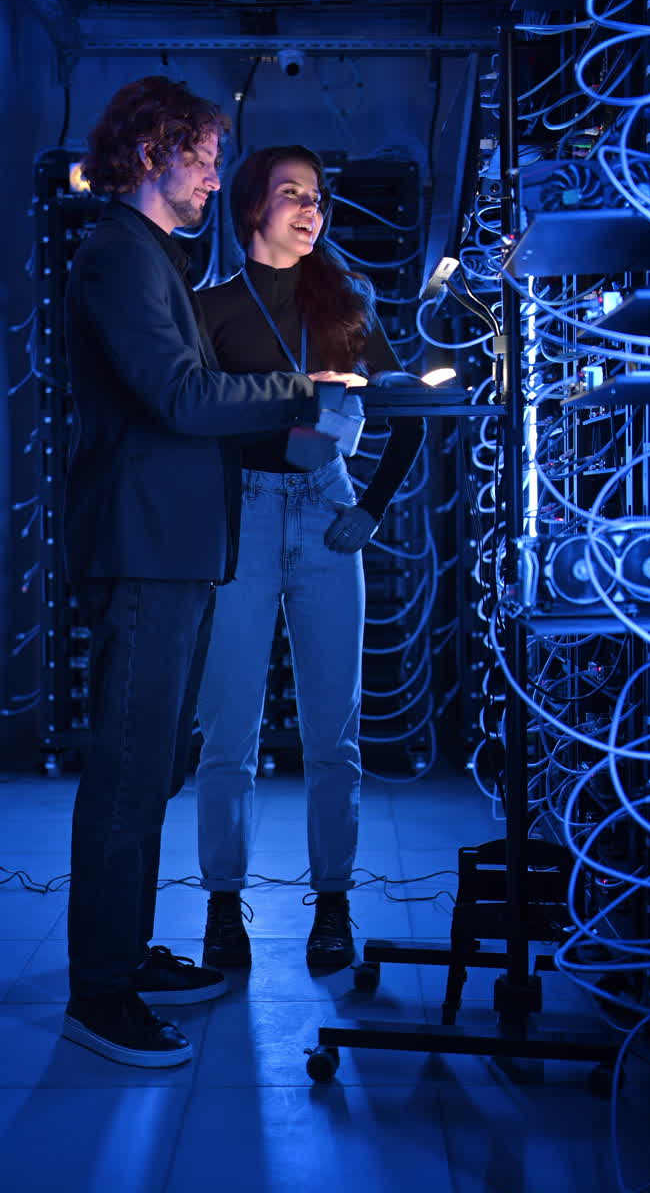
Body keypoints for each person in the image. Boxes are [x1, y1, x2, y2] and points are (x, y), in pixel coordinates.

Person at [61, 81, 325, 1067]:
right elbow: (178, 393)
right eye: (205, 157)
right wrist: (301, 389)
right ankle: (98, 992)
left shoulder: (151, 258)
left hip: (171, 548)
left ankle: (122, 957)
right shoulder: (118, 255)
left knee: (153, 765)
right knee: (130, 769)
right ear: (148, 153)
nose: (219, 176)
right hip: (142, 550)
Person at [195, 145, 426, 973]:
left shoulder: (349, 304)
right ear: (251, 204)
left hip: (328, 514)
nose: (310, 209)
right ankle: (224, 908)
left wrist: (369, 507)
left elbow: (408, 412)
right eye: (290, 193)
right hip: (245, 520)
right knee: (229, 733)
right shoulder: (211, 308)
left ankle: (334, 907)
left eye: (317, 197)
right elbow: (188, 423)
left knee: (336, 735)